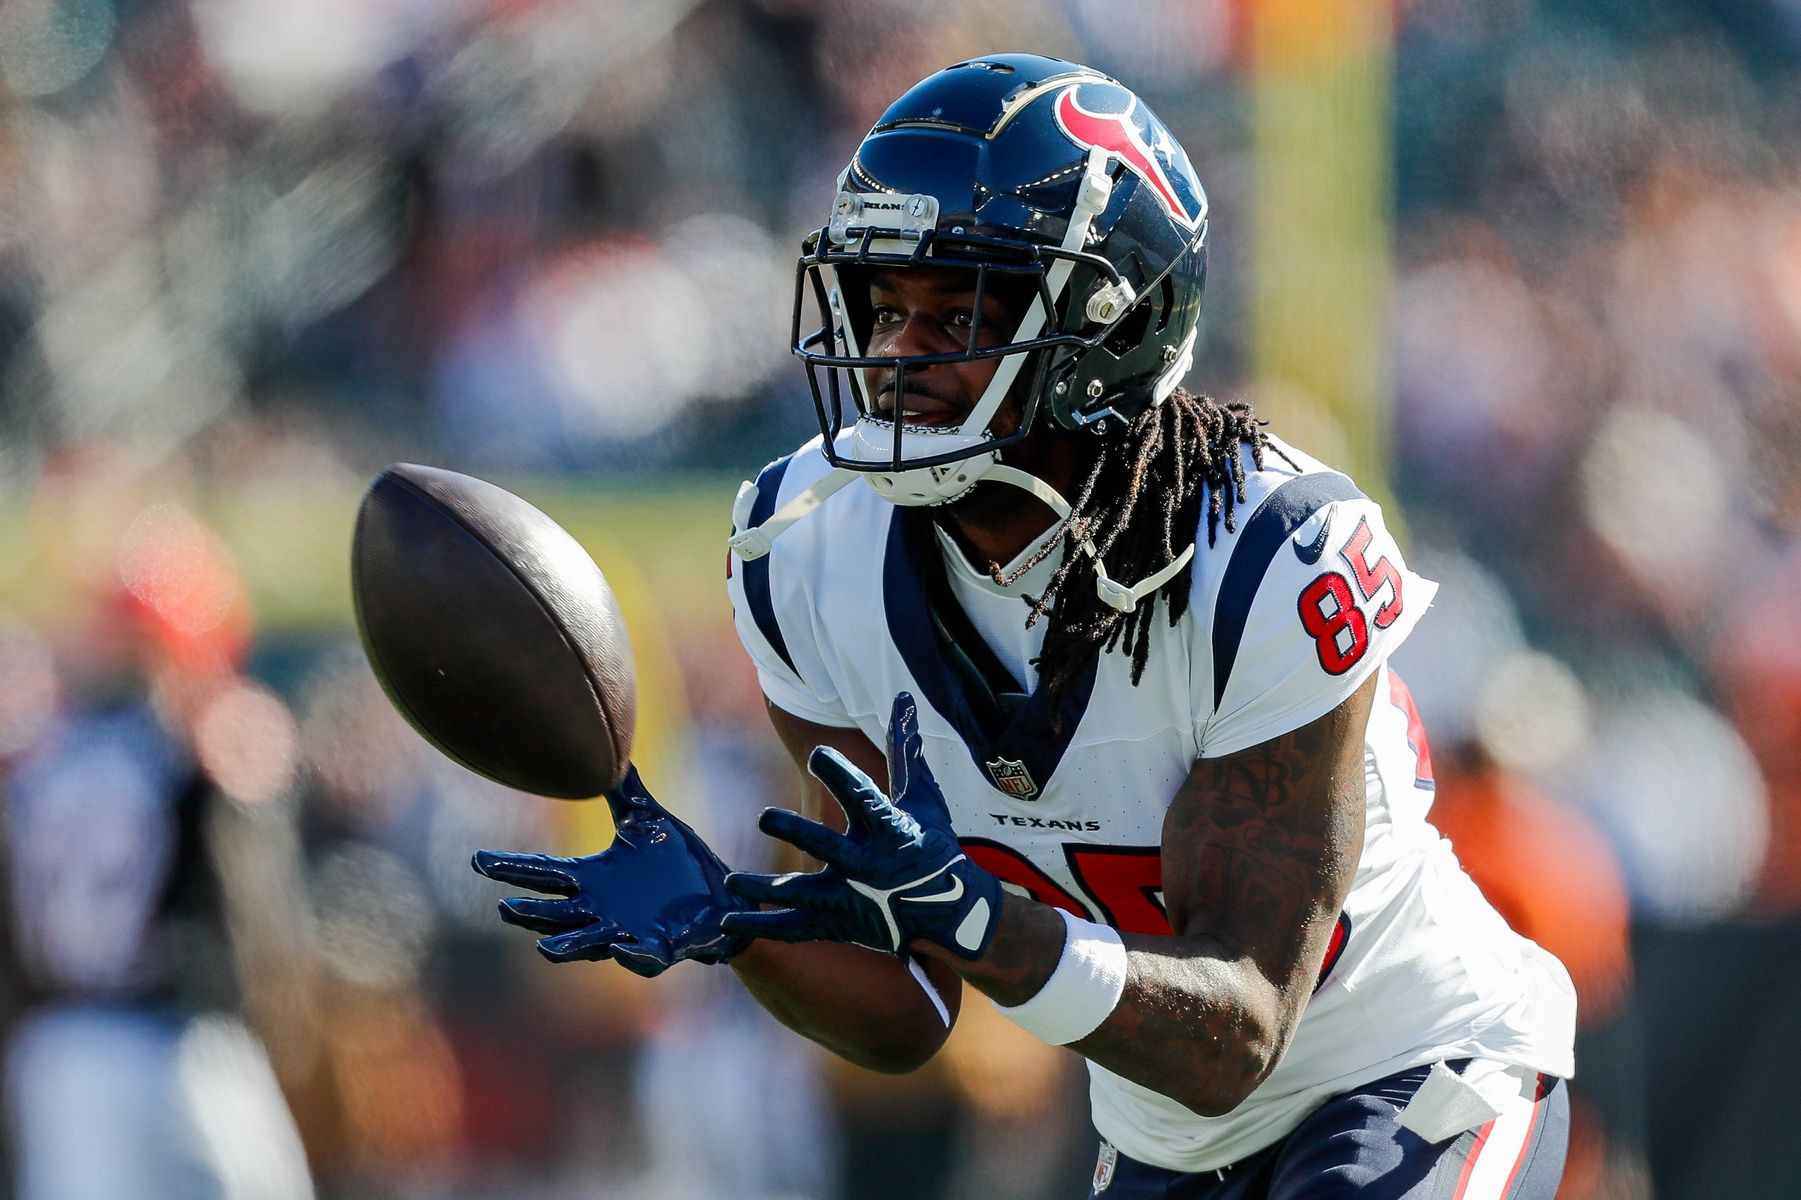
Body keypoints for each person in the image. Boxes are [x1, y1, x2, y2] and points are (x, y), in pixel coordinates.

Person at [475, 54, 1576, 1197]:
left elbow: (1238, 1030)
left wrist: (976, 919)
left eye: (953, 317)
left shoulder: (1265, 552)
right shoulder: (805, 552)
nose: (896, 360)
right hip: (1165, 1137)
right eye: (883, 308)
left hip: (1409, 1074)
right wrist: (735, 920)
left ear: (1109, 327)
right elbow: (905, 1009)